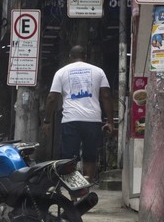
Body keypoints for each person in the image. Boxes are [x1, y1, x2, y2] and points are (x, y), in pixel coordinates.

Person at [42, 44, 115, 182]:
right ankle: (86, 188)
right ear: (85, 57)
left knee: (69, 159)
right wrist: (110, 121)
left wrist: (47, 121)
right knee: (90, 156)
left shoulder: (61, 72)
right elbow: (106, 95)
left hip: (71, 120)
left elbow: (52, 98)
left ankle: (74, 193)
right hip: (93, 120)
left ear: (70, 57)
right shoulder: (98, 71)